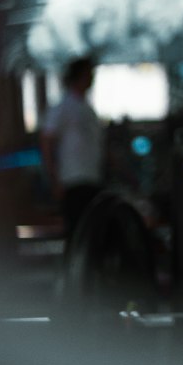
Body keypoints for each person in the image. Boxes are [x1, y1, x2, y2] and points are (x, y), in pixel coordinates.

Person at [39, 54, 106, 239]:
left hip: (91, 177)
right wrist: (53, 179)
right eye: (89, 74)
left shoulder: (87, 109)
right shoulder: (62, 108)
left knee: (92, 231)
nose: (92, 78)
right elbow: (46, 142)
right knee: (77, 231)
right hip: (72, 179)